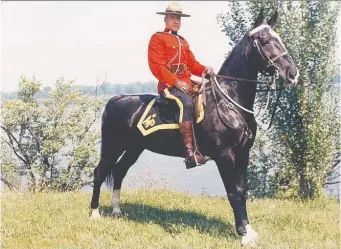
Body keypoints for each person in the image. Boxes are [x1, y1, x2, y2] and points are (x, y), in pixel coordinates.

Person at [148, 2, 215, 169]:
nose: (176, 21)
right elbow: (157, 66)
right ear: (165, 19)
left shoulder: (183, 42)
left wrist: (205, 70)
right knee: (185, 102)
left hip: (186, 83)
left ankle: (205, 144)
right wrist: (175, 81)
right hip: (169, 86)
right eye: (172, 17)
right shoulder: (157, 38)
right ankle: (189, 154)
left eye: (178, 18)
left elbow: (192, 64)